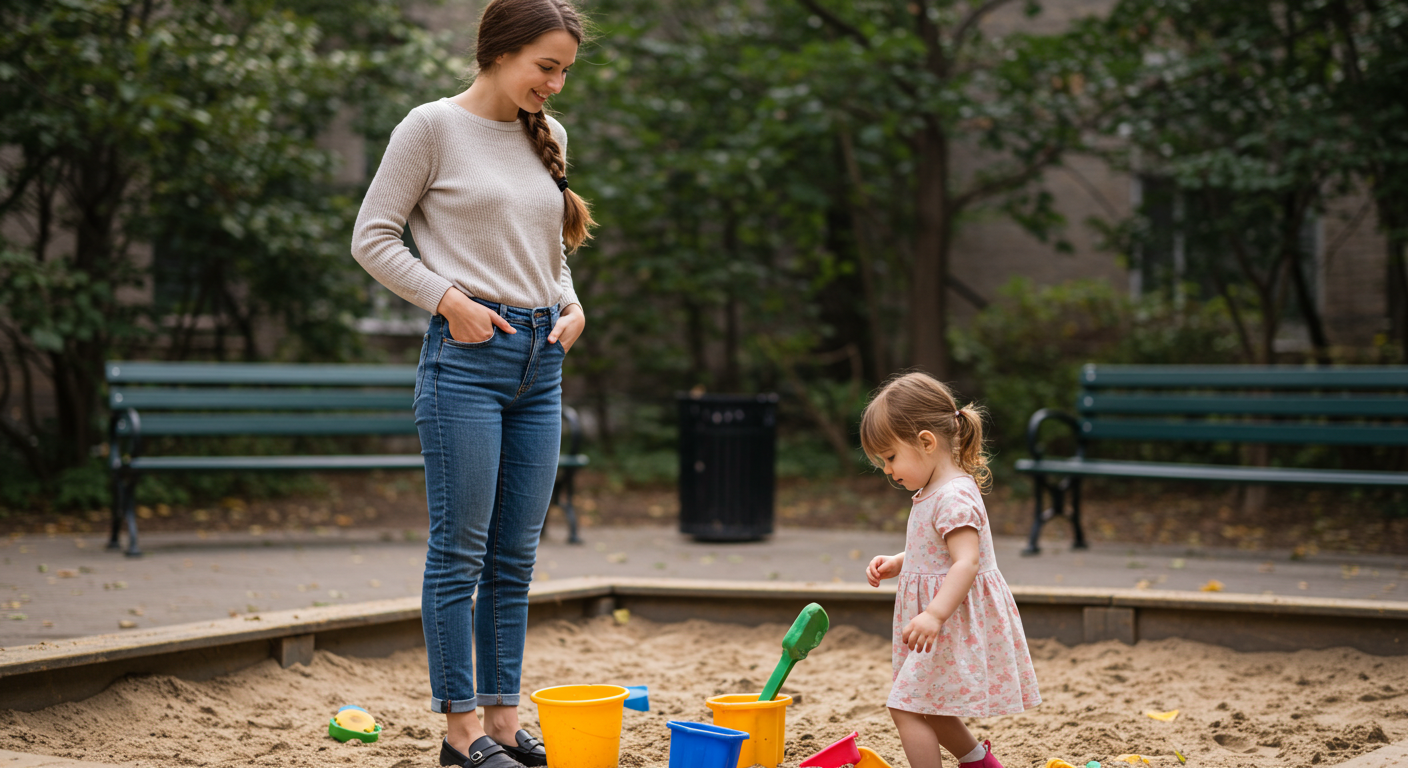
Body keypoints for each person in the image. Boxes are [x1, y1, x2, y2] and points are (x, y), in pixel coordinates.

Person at [349, 0, 595, 765]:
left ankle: (500, 724)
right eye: (545, 66)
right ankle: (460, 734)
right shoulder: (429, 128)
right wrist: (448, 300)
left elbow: (547, 251)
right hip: (465, 360)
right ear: (498, 50)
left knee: (515, 558)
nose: (554, 84)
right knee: (461, 552)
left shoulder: (548, 135)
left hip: (541, 365)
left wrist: (574, 304)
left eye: (563, 72)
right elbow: (372, 237)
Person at [860, 372, 1041, 768]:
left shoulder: (954, 495)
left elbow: (966, 561)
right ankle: (979, 762)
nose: (888, 470)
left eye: (890, 457)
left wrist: (934, 614)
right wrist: (898, 562)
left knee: (906, 707)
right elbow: (935, 551)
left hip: (950, 619)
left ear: (926, 441)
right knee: (930, 704)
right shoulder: (934, 490)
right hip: (939, 620)